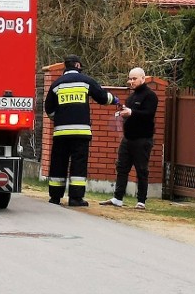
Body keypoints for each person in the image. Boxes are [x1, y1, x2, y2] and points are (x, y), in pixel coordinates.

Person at [45, 55, 119, 206]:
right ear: (78, 65)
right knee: (78, 164)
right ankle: (75, 198)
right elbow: (102, 97)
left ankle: (55, 197)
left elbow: (49, 109)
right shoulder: (86, 81)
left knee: (58, 163)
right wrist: (115, 100)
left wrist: (58, 118)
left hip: (61, 133)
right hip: (81, 133)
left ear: (65, 66)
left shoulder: (56, 84)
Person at [100, 67, 158, 210]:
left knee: (141, 170)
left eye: (134, 79)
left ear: (143, 79)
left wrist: (131, 112)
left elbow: (148, 114)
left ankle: (141, 201)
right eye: (130, 79)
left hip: (142, 139)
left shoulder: (150, 96)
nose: (131, 81)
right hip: (128, 138)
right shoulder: (131, 97)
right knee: (121, 167)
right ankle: (118, 198)